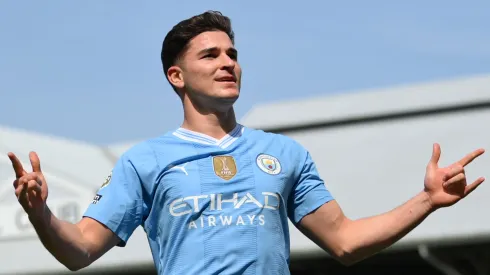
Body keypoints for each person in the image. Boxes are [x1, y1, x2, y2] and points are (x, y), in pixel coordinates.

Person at [7, 10, 486, 275]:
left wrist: (427, 200)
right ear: (176, 76)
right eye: (210, 54)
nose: (228, 62)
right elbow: (79, 251)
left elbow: (346, 242)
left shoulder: (285, 154)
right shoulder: (145, 161)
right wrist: (41, 213)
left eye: (233, 54)